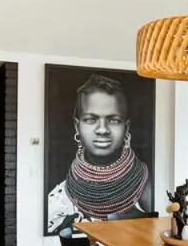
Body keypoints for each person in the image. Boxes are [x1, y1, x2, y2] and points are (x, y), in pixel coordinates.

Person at [47, 74, 152, 234]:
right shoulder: (58, 203)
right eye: (90, 119)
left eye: (114, 120)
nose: (102, 130)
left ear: (126, 127)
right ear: (77, 126)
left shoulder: (149, 189)